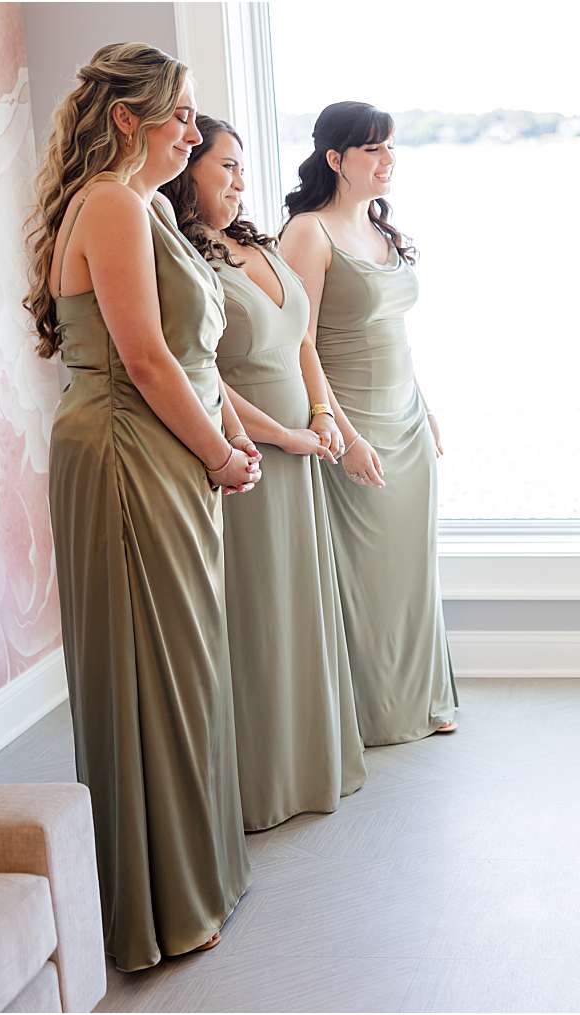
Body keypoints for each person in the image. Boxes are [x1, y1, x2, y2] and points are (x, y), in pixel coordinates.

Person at [24, 42, 256, 970]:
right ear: (128, 118)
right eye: (182, 115)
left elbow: (180, 362)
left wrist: (222, 444)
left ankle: (191, 876)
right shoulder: (116, 204)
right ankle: (159, 902)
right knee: (152, 666)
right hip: (127, 450)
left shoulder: (144, 204)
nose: (194, 133)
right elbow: (148, 361)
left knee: (182, 664)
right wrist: (223, 455)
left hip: (155, 448)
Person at [162, 115, 367, 831]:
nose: (240, 181)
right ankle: (262, 783)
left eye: (242, 168)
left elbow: (302, 340)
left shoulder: (258, 243)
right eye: (225, 167)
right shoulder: (187, 261)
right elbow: (204, 375)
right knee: (257, 617)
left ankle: (316, 764)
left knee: (302, 609)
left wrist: (324, 416)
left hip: (304, 449)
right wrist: (281, 436)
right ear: (188, 172)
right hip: (248, 454)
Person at [278, 100, 458, 745]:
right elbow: (297, 345)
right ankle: (371, 714)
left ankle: (421, 700)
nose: (387, 161)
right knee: (363, 575)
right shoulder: (307, 233)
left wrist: (427, 409)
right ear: (336, 159)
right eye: (372, 149)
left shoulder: (382, 232)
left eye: (390, 148)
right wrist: (344, 435)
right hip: (353, 426)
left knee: (411, 571)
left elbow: (394, 337)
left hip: (406, 422)